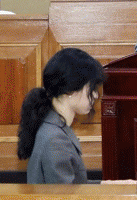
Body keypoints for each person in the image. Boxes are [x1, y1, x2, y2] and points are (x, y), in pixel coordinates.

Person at [17, 48, 106, 184]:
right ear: (69, 90)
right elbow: (66, 193)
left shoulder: (53, 127)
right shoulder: (55, 140)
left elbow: (75, 187)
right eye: (91, 88)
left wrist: (108, 186)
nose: (95, 95)